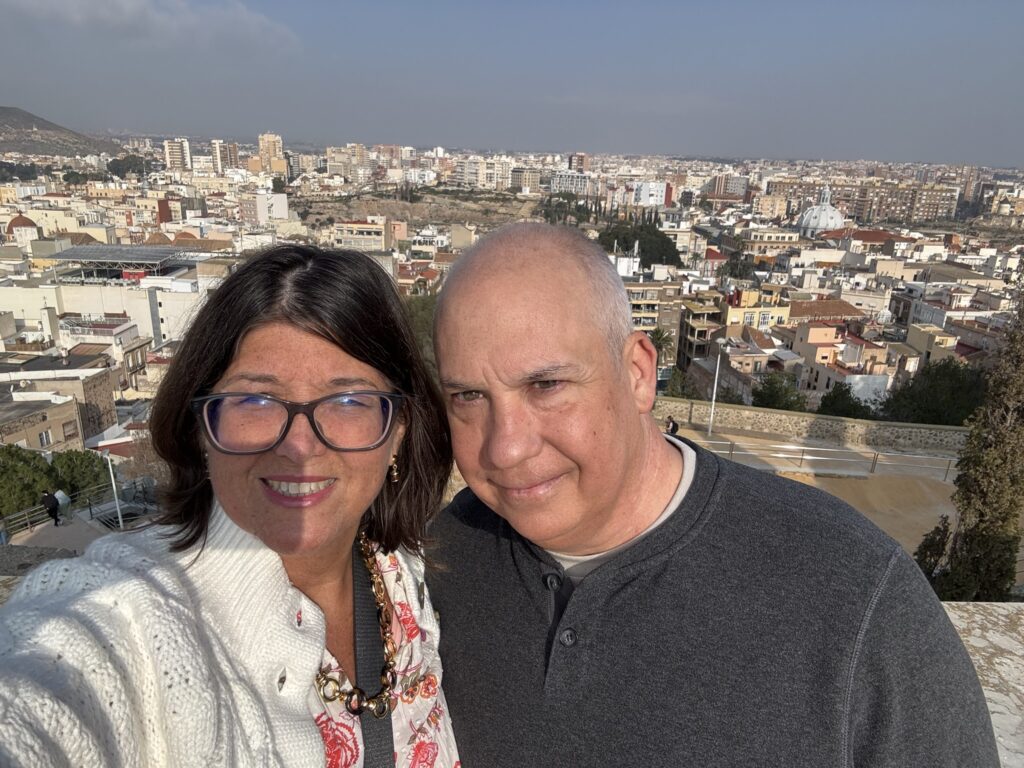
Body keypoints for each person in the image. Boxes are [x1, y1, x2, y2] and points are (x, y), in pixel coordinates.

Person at [427, 223, 998, 767]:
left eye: (545, 385)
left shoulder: (856, 597)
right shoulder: (434, 567)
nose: (505, 449)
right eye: (469, 397)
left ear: (637, 374)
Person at [0, 245, 460, 767]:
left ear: (397, 430)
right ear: (202, 427)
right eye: (255, 400)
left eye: (349, 399)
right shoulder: (141, 613)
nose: (300, 446)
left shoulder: (407, 578)